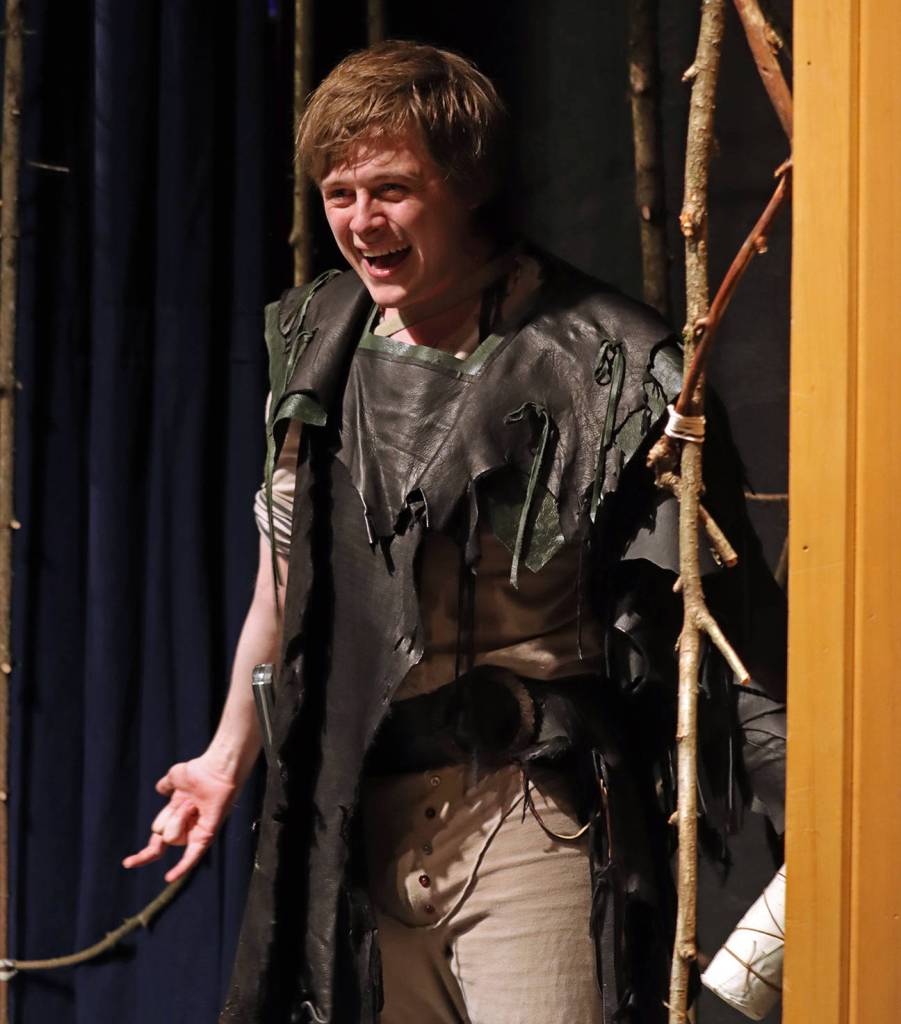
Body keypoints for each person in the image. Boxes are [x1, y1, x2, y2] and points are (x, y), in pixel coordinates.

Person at [124, 41, 787, 1024]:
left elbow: (715, 615)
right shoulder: (318, 340)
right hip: (363, 815)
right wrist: (228, 755)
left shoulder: (606, 357)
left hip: (525, 817)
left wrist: (818, 816)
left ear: (467, 183)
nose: (359, 221)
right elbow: (287, 567)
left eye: (390, 188)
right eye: (339, 192)